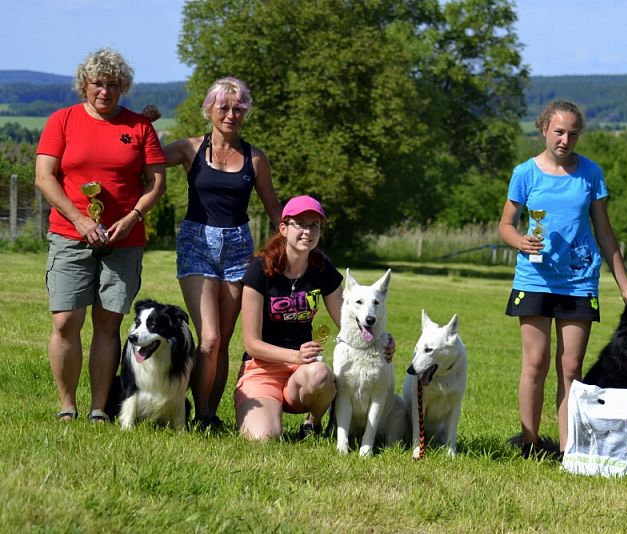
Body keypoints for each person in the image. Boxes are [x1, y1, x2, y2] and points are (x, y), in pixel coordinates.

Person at [35, 47, 167, 422]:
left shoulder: (140, 126)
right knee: (65, 321)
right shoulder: (62, 121)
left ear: (122, 87)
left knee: (108, 323)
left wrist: (132, 216)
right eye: (97, 84)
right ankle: (67, 406)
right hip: (69, 234)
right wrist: (79, 220)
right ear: (84, 85)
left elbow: (156, 182)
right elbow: (44, 177)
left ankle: (99, 408)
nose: (104, 91)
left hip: (123, 239)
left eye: (112, 85)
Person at [497, 99, 627, 458]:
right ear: (544, 129)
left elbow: (605, 232)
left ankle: (568, 449)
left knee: (570, 367)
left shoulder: (591, 174)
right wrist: (520, 242)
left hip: (579, 281)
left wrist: (626, 288)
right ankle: (529, 444)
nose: (565, 140)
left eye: (573, 134)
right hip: (535, 279)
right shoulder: (524, 173)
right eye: (558, 132)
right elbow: (505, 225)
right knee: (536, 363)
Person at [156, 77, 283, 430]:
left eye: (238, 108)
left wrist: (292, 242)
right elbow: (142, 158)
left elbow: (274, 211)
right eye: (223, 107)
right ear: (209, 109)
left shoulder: (255, 159)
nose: (231, 114)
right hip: (196, 242)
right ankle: (195, 413)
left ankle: (209, 416)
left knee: (223, 341)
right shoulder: (188, 148)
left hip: (238, 248)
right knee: (208, 338)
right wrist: (141, 124)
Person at [234, 195, 394, 440]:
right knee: (263, 438)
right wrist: (294, 355)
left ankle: (313, 423)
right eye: (300, 224)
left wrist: (382, 339)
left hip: (302, 371)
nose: (308, 231)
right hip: (262, 369)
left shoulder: (321, 267)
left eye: (314, 226)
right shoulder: (259, 269)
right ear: (284, 228)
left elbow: (351, 318)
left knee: (320, 374)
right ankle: (267, 410)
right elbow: (251, 344)